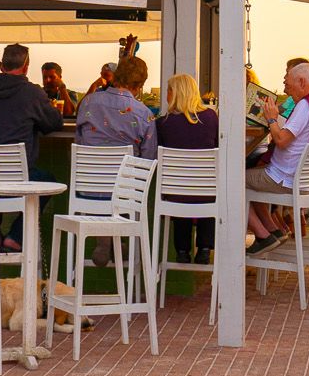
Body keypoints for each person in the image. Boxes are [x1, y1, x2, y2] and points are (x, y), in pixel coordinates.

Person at [245, 60, 309, 251]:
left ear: (301, 82)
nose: (286, 88)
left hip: (285, 179)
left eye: (288, 82)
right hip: (302, 180)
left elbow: (281, 140)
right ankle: (274, 231)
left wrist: (271, 119)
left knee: (230, 181)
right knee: (253, 172)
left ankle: (263, 236)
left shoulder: (304, 106)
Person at [0, 43, 64, 165]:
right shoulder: (33, 93)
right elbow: (56, 123)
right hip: (20, 174)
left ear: (1, 66)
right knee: (55, 176)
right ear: (26, 68)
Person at [155, 72, 220, 260]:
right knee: (205, 188)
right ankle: (205, 248)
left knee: (180, 187)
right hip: (207, 192)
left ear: (175, 93)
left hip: (175, 192)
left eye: (168, 91)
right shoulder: (211, 117)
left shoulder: (163, 123)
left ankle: (182, 250)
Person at [74, 54, 157, 159]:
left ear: (116, 76)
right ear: (140, 85)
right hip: (126, 170)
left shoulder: (88, 102)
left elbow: (79, 141)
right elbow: (149, 158)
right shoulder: (145, 114)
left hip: (87, 168)